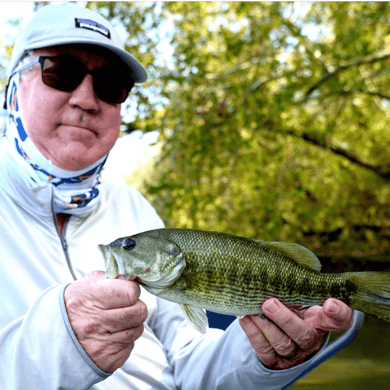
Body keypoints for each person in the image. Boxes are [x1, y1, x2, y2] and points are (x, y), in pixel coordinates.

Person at [0, 4, 354, 389]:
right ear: (14, 87)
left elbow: (190, 362)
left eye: (111, 84)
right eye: (61, 72)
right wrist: (57, 344)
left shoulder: (133, 207)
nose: (87, 99)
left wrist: (263, 356)